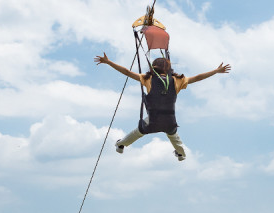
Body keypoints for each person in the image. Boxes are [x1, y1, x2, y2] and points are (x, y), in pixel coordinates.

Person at [94, 53, 231, 161]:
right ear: (169, 68)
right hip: (169, 120)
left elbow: (127, 72)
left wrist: (109, 62)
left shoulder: (148, 79)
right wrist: (216, 71)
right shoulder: (178, 80)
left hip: (153, 120)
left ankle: (121, 145)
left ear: (154, 67)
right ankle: (181, 155)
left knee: (138, 132)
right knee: (175, 139)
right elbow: (198, 77)